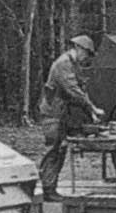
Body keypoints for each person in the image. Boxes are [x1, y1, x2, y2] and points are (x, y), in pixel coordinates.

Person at [37, 34, 106, 202]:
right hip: (53, 114)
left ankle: (50, 188)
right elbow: (73, 90)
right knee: (53, 151)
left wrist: (91, 113)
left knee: (59, 151)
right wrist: (93, 108)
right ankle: (47, 189)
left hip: (61, 114)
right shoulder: (63, 63)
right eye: (87, 53)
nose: (87, 58)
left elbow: (82, 89)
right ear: (79, 48)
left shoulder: (74, 65)